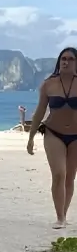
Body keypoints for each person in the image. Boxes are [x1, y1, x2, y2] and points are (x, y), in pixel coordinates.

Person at [27, 47, 77, 228]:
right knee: (59, 174)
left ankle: (64, 214)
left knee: (70, 178)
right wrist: (31, 137)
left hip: (75, 137)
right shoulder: (49, 84)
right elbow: (39, 112)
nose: (66, 62)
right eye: (63, 59)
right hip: (53, 133)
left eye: (70, 59)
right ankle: (60, 218)